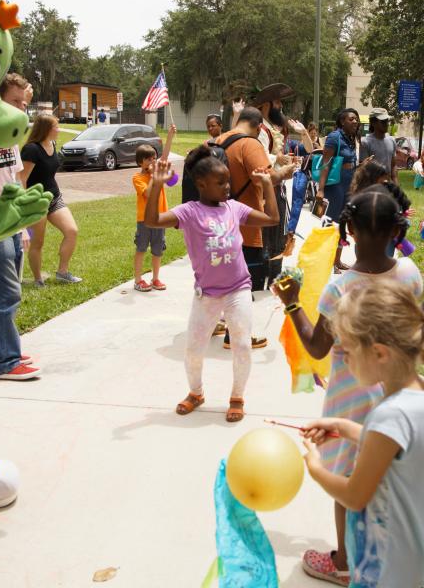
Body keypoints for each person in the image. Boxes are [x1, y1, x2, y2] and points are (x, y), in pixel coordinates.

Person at [272, 183, 422, 587]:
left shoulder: (341, 289)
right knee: (388, 474)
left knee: (349, 482)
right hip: (397, 383)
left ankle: (343, 560)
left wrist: (291, 303)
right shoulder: (410, 273)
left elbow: (319, 345)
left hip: (348, 393)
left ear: (349, 229)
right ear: (397, 231)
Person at [302, 281, 424, 588]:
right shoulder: (416, 396)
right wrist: (345, 428)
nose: (343, 359)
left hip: (385, 569)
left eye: (347, 349)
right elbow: (399, 450)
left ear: (379, 353)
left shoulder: (388, 414)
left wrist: (315, 468)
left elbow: (355, 496)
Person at [144, 148, 279, 421]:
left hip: (238, 289)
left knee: (241, 345)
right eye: (221, 183)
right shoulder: (189, 212)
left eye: (228, 181)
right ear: (201, 184)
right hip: (206, 295)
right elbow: (152, 221)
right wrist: (157, 184)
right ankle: (196, 392)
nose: (227, 187)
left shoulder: (234, 208)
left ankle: (237, 396)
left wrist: (267, 185)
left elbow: (272, 219)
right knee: (194, 350)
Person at [215, 106, 292, 349]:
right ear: (259, 127)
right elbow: (267, 178)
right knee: (242, 283)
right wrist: (286, 172)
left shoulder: (219, 140)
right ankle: (236, 336)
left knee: (221, 276)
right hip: (245, 224)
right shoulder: (250, 145)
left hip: (217, 221)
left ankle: (216, 322)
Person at [0, 72, 39, 381]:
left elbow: (16, 182)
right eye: (15, 101)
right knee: (7, 294)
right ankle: (7, 361)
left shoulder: (10, 138)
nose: (21, 109)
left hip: (11, 226)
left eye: (25, 104)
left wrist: (23, 227)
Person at [21, 114, 82, 285]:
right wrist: (26, 203)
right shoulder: (31, 149)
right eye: (56, 126)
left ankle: (63, 272)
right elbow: (22, 178)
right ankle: (38, 279)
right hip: (36, 201)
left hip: (54, 197)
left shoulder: (52, 144)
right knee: (37, 243)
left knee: (72, 231)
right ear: (46, 129)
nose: (58, 129)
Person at [251, 84, 301, 284]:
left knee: (276, 234)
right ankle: (264, 279)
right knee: (266, 236)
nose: (280, 106)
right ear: (266, 105)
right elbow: (260, 156)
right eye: (277, 102)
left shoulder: (271, 127)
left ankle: (272, 279)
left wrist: (282, 159)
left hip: (276, 186)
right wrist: (279, 160)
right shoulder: (261, 128)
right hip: (265, 188)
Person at [316, 107, 361, 272]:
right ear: (342, 121)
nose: (355, 121)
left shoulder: (352, 138)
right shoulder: (335, 137)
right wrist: (320, 189)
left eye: (356, 119)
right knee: (329, 224)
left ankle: (337, 260)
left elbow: (351, 164)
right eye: (351, 119)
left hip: (349, 185)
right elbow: (325, 164)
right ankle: (327, 261)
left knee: (342, 223)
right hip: (335, 186)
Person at [132, 124, 176, 291]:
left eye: (154, 158)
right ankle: (138, 280)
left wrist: (170, 136)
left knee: (158, 250)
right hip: (144, 220)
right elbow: (148, 194)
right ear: (140, 162)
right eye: (148, 159)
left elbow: (165, 157)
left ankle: (156, 278)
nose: (153, 161)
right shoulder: (138, 177)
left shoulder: (157, 172)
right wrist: (154, 176)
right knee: (141, 248)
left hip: (160, 218)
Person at [359, 107, 398, 184]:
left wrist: (396, 187)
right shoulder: (365, 142)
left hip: (389, 185)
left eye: (387, 121)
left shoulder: (392, 140)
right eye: (383, 121)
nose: (387, 124)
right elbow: (363, 169)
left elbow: (393, 166)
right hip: (372, 185)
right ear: (373, 123)